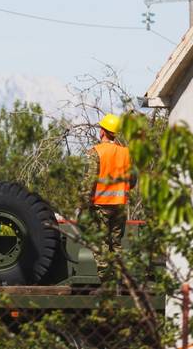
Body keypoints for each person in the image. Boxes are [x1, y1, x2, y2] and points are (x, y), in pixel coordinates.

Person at [80, 113, 136, 282]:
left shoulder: (95, 152)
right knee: (116, 244)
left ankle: (107, 283)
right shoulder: (126, 153)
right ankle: (120, 280)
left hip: (100, 206)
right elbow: (132, 180)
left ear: (102, 131)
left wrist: (82, 204)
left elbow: (89, 182)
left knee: (101, 245)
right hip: (119, 205)